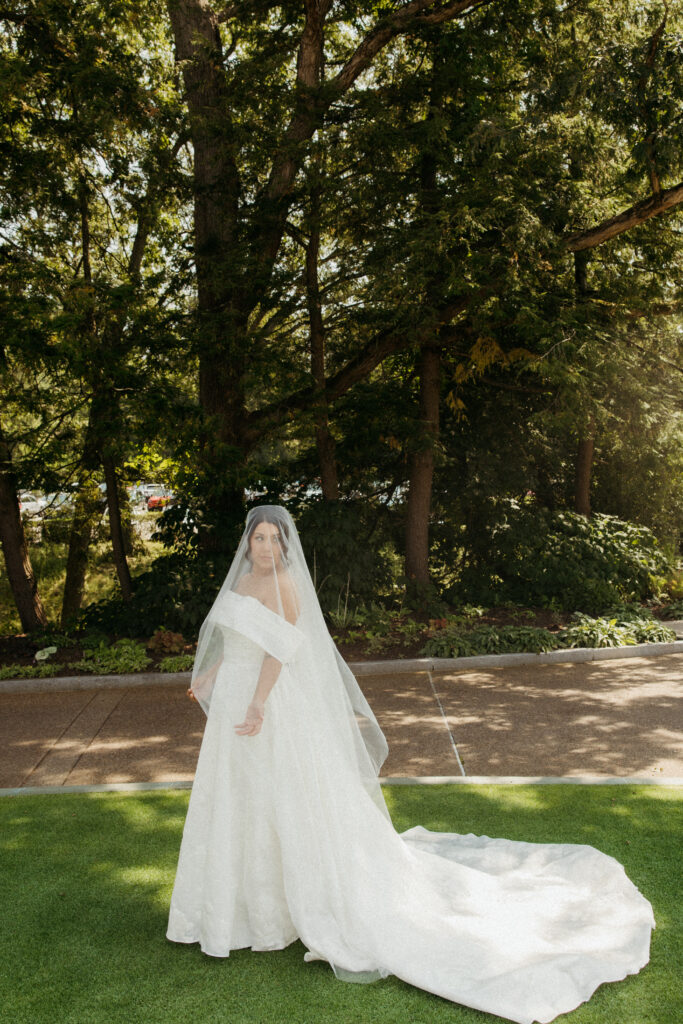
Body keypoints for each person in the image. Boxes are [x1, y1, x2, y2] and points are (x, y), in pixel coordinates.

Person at [167, 505, 654, 1024]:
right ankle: (239, 908)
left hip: (267, 707)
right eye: (257, 539)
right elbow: (238, 639)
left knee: (285, 800)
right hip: (234, 702)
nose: (264, 548)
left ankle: (283, 909)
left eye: (272, 540)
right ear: (247, 544)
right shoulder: (242, 580)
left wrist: (258, 704)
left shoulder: (286, 586)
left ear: (285, 546)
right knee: (239, 800)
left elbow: (278, 653)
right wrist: (209, 676)